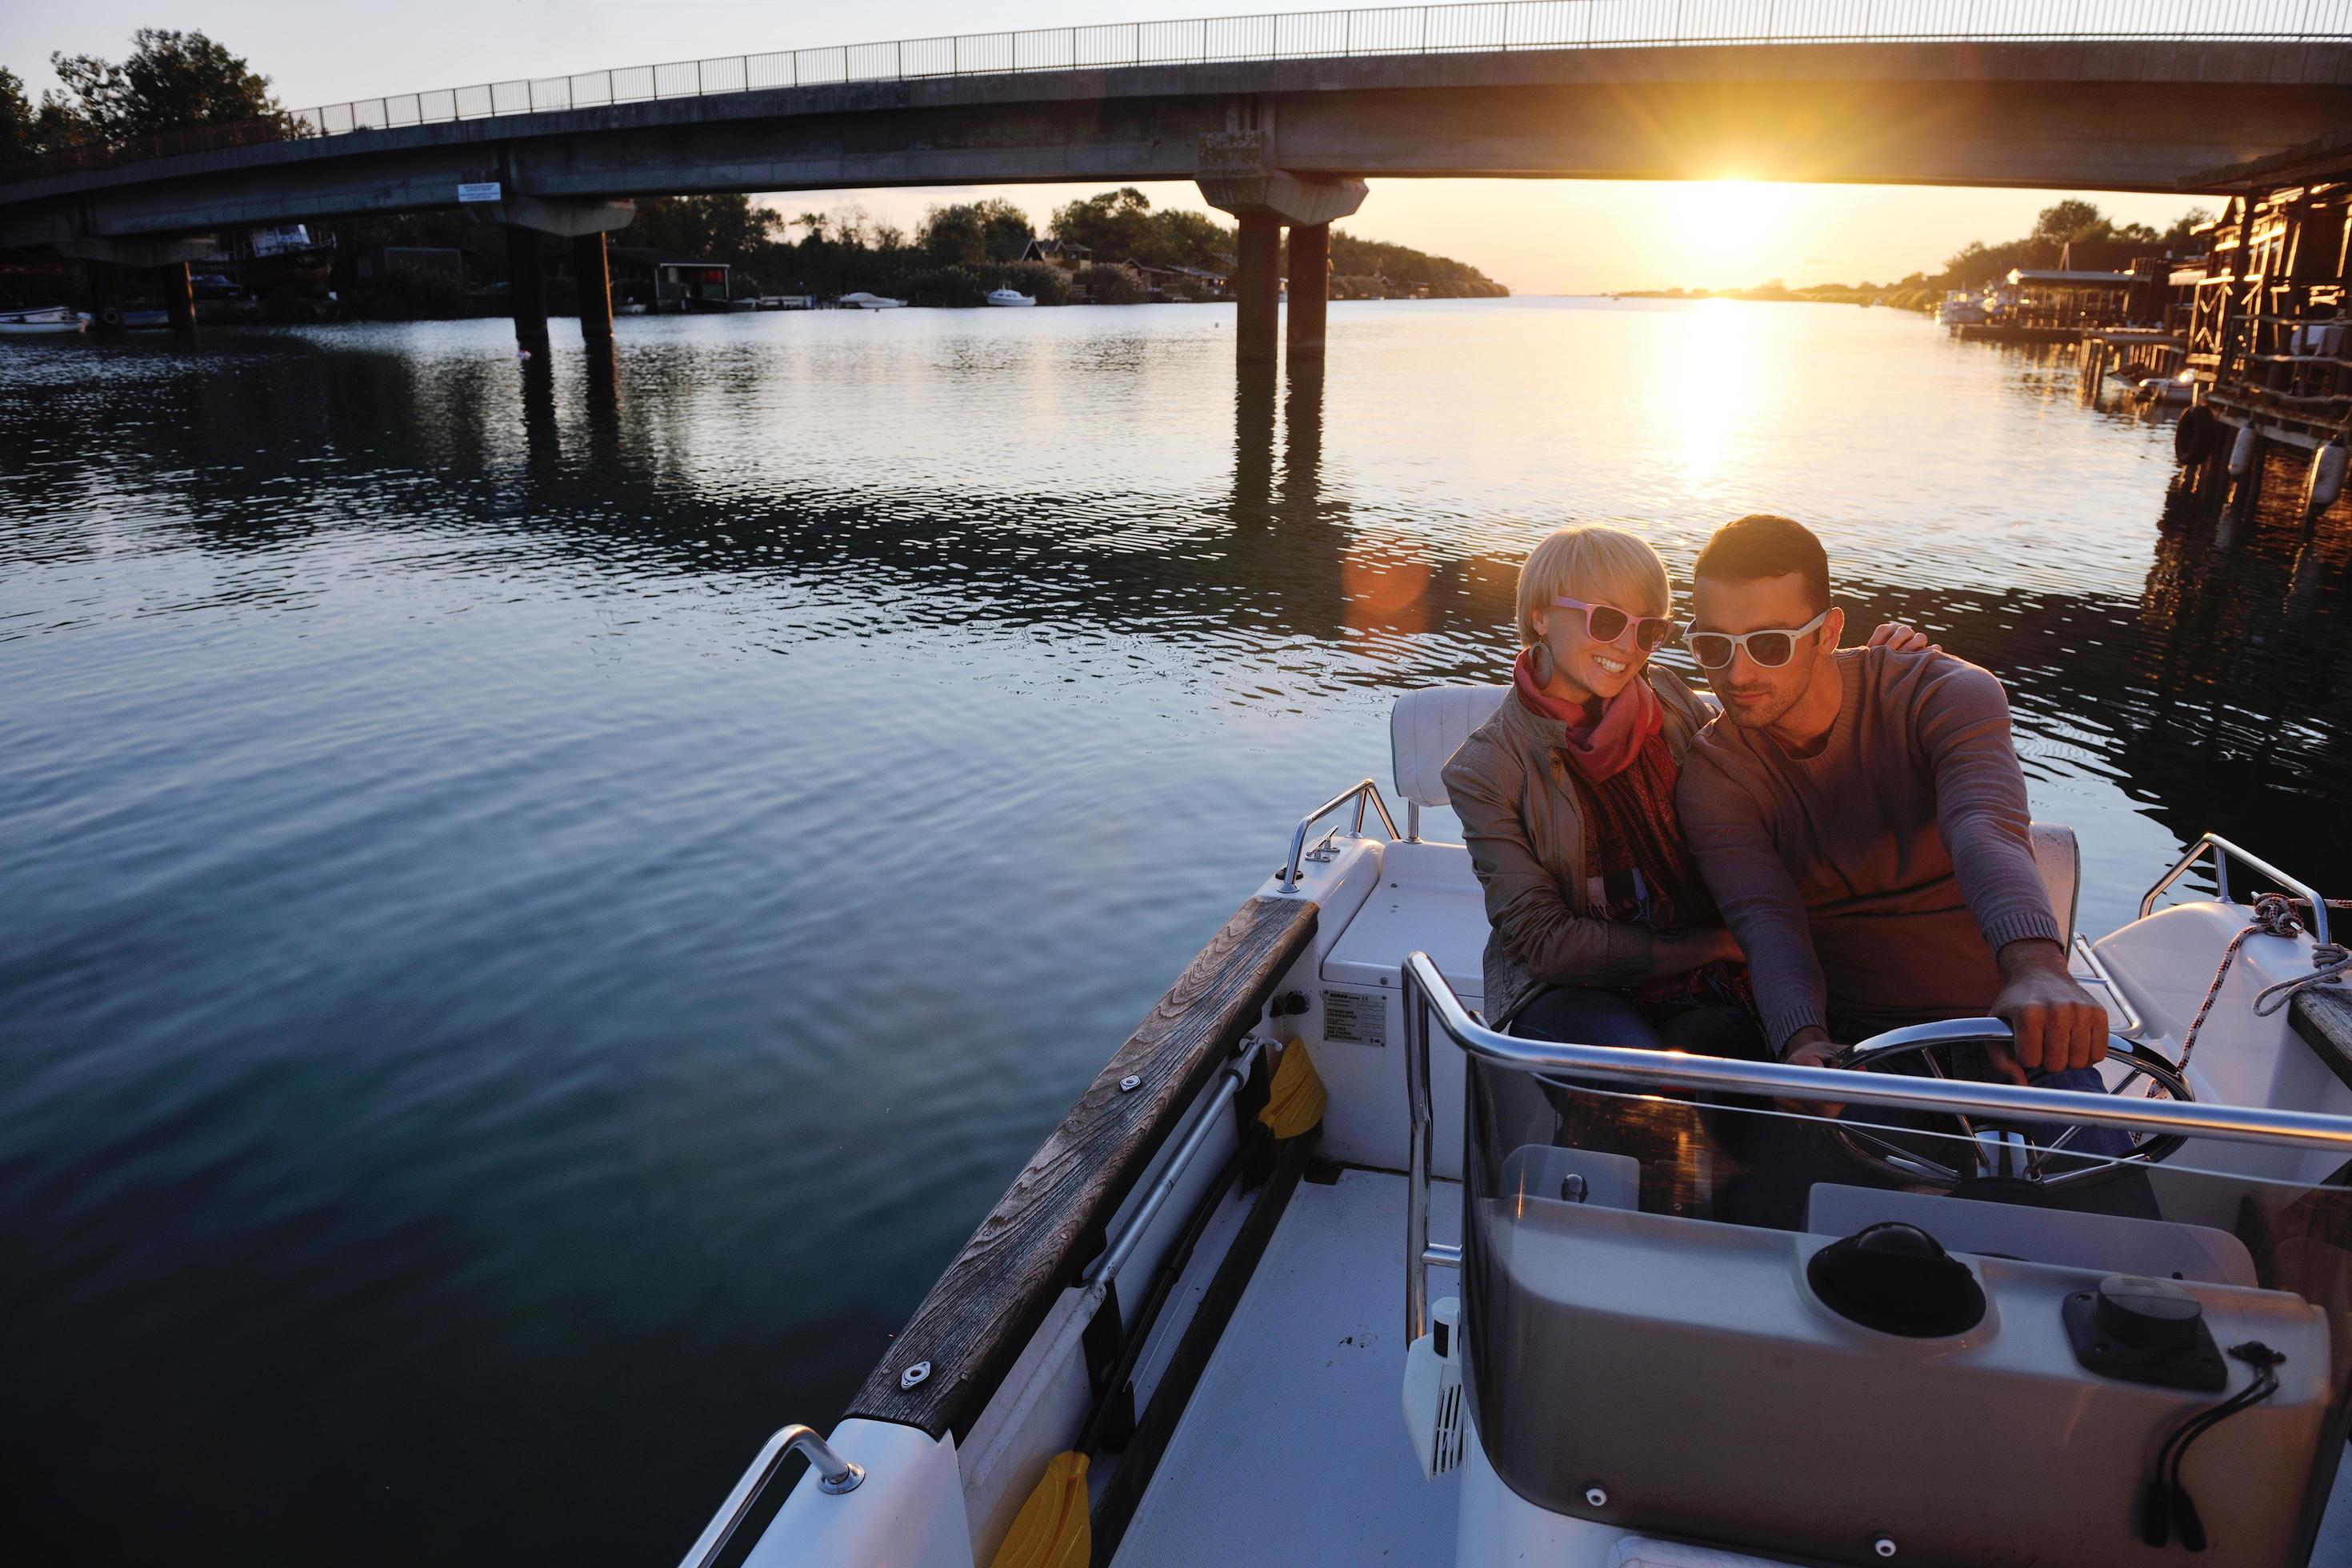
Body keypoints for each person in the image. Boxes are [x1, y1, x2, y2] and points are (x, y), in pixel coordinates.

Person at [1442, 524, 1931, 1059]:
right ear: (1540, 616)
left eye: (1648, 630)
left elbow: (1765, 746)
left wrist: (1873, 672)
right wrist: (1712, 944)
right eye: (1606, 621)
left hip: (1701, 976)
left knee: (1721, 1068)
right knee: (1632, 1076)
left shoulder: (1670, 699)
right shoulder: (1484, 771)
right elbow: (1544, 945)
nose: (1628, 649)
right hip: (1573, 986)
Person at [1673, 514, 2107, 1098]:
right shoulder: (1717, 772)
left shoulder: (1945, 694)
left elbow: (1985, 827)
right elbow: (1767, 922)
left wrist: (2034, 965)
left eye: (1769, 644)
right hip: (1857, 1046)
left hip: (2010, 1016)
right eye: (1712, 645)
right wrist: (1802, 1042)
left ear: (1828, 633)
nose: (1737, 672)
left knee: (2101, 1181)